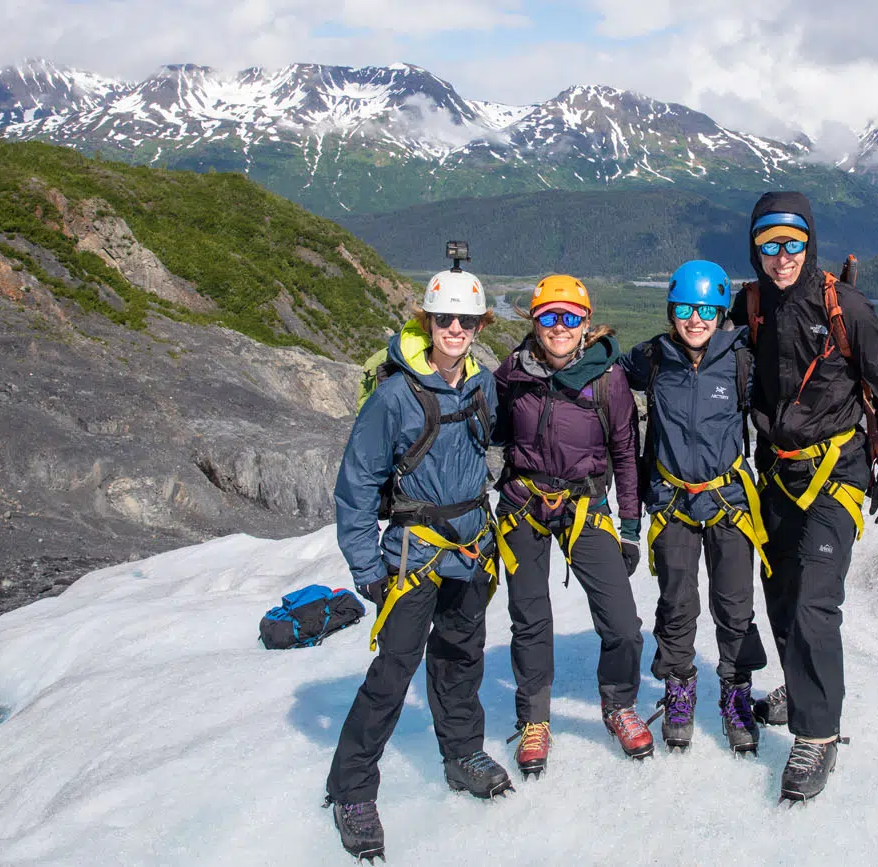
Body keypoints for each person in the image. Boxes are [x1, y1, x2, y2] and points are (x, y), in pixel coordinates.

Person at [728, 192, 878, 802]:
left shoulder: (845, 307)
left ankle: (817, 735)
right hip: (778, 471)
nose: (781, 257)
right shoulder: (749, 305)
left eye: (793, 244)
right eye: (768, 245)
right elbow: (708, 361)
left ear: (810, 244)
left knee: (813, 601)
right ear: (754, 249)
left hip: (838, 470)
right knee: (779, 594)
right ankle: (799, 685)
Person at [325, 267, 510, 862]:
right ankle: (352, 788)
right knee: (393, 671)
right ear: (426, 322)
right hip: (413, 553)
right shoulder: (394, 396)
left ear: (480, 325)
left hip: (470, 548)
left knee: (461, 658)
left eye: (466, 320)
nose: (454, 329)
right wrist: (364, 567)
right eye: (443, 319)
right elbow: (357, 486)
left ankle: (462, 754)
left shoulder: (482, 385)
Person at [494, 274, 652, 777]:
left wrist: (630, 525)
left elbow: (626, 453)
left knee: (623, 625)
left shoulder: (608, 378)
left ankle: (619, 703)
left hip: (585, 505)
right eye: (548, 317)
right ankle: (534, 719)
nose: (558, 327)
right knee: (530, 617)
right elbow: (486, 434)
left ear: (586, 323)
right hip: (523, 503)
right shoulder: (512, 373)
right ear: (533, 322)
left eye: (569, 317)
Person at [620, 260, 769, 753]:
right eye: (685, 308)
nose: (695, 319)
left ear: (722, 311)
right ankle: (679, 684)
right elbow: (604, 370)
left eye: (707, 309)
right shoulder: (654, 359)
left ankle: (735, 691)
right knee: (677, 603)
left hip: (727, 499)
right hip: (672, 499)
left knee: (734, 606)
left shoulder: (741, 358)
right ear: (671, 310)